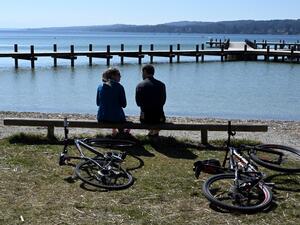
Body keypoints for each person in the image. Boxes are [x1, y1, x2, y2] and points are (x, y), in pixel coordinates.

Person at [135, 64, 166, 136]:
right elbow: (163, 102)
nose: (142, 75)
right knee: (158, 120)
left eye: (142, 73)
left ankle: (152, 132)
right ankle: (154, 132)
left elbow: (138, 103)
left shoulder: (140, 85)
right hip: (159, 118)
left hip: (145, 118)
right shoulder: (161, 85)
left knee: (145, 113)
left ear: (145, 72)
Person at [96, 68, 127, 135]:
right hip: (116, 118)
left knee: (112, 109)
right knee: (117, 113)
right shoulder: (119, 87)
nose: (120, 76)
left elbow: (98, 103)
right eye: (118, 75)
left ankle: (115, 131)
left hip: (101, 117)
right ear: (113, 76)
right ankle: (121, 132)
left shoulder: (100, 86)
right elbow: (124, 105)